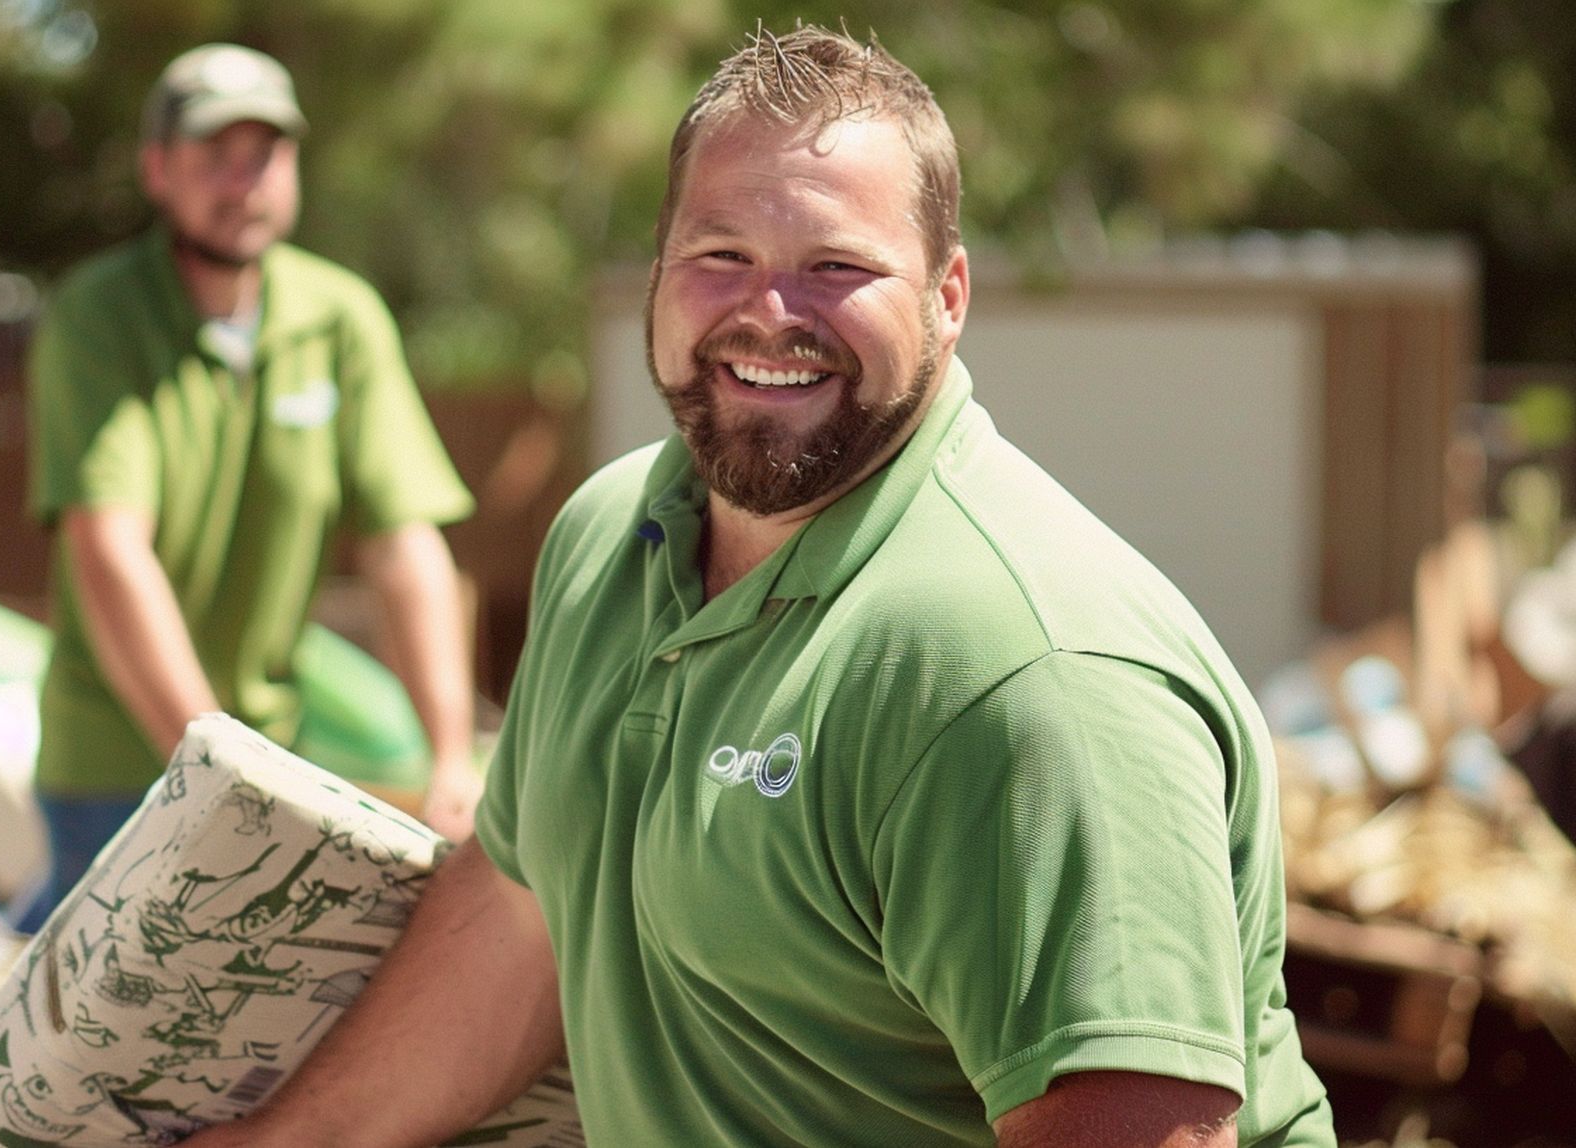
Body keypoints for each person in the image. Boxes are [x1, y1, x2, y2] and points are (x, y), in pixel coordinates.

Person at [184, 25, 1334, 1147]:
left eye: (835, 267)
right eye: (719, 255)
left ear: (947, 296)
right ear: (657, 273)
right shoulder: (606, 538)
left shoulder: (1024, 674)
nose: (767, 312)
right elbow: (521, 914)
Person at [21, 43, 481, 927]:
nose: (244, 182)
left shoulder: (339, 319)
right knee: (121, 1056)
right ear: (158, 170)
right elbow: (107, 547)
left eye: (264, 155)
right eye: (213, 157)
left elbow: (404, 544)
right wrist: (211, 765)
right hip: (118, 774)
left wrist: (452, 757)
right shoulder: (98, 317)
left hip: (276, 763)